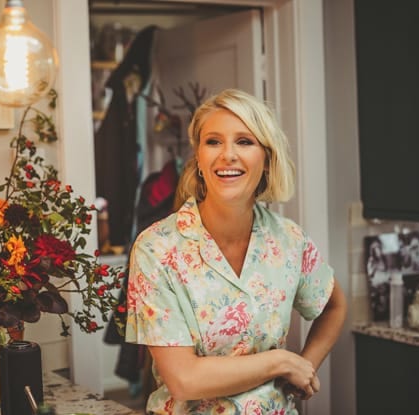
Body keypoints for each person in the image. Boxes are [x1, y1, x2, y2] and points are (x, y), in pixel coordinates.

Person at [124, 89, 346, 414]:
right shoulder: (156, 248)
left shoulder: (289, 239)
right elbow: (184, 380)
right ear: (199, 158)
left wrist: (306, 366)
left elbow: (334, 306)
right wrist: (282, 362)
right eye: (213, 142)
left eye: (244, 141)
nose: (228, 154)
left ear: (266, 158)